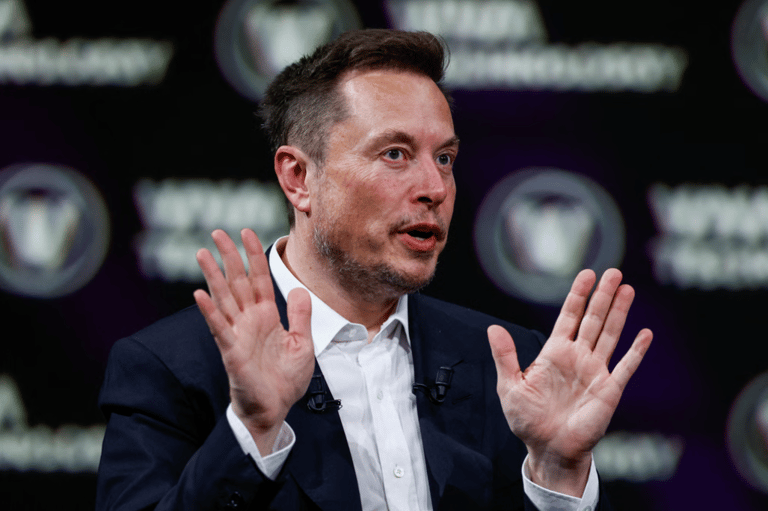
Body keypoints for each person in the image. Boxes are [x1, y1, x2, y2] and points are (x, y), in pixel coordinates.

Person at [96, 29, 653, 510]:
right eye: (395, 154)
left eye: (444, 158)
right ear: (298, 178)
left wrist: (557, 475)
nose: (434, 188)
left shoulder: (508, 364)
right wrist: (252, 433)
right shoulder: (173, 368)